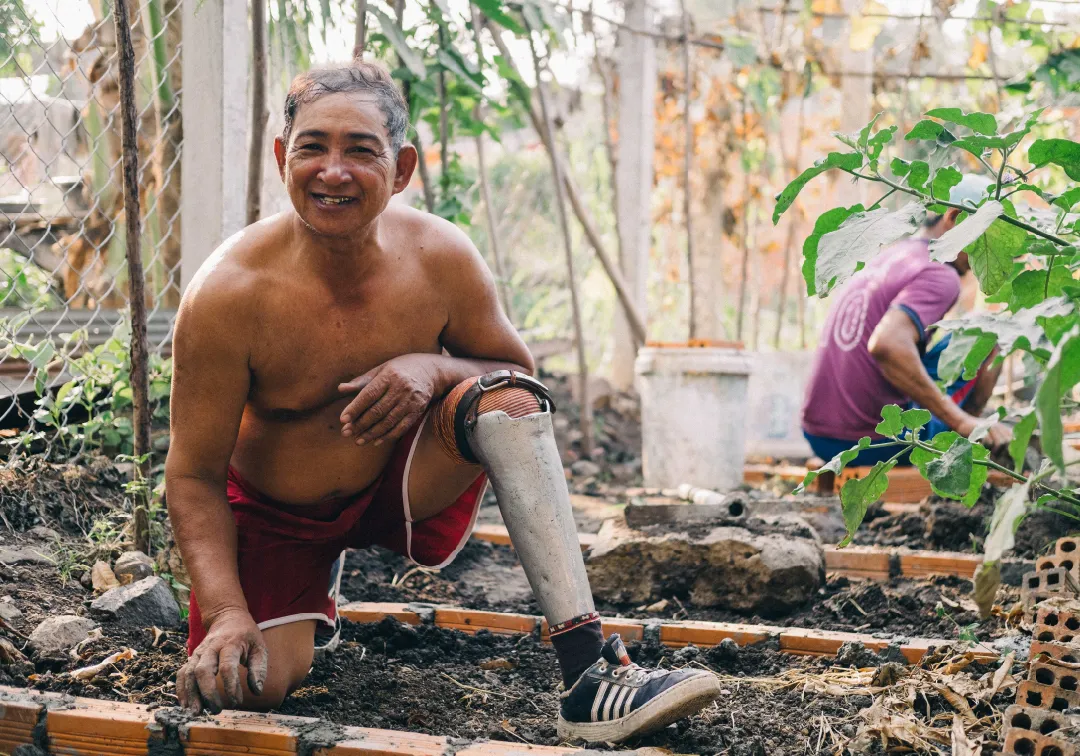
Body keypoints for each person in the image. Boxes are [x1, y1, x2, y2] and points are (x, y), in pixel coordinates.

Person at [165, 60, 719, 743]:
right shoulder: (227, 293)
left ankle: (589, 673)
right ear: (283, 157)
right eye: (312, 148)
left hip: (400, 481)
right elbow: (193, 475)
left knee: (508, 404)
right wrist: (226, 612)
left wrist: (429, 367)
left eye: (360, 150)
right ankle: (308, 593)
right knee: (249, 686)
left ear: (401, 169)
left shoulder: (440, 257)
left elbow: (519, 375)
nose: (333, 171)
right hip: (277, 518)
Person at [801, 175, 1012, 466]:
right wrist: (963, 422)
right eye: (987, 236)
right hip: (873, 440)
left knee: (972, 330)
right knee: (992, 331)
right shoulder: (940, 272)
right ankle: (967, 444)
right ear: (955, 218)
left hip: (819, 435)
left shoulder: (894, 256)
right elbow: (887, 344)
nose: (990, 251)